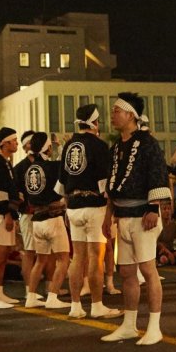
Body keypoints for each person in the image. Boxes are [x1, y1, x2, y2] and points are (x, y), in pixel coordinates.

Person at [100, 92, 171, 346]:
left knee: (147, 270)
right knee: (127, 272)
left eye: (117, 110)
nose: (113, 115)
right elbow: (110, 185)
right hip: (123, 215)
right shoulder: (117, 147)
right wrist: (108, 216)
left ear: (131, 115)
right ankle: (129, 325)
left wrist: (153, 208)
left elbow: (158, 174)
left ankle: (154, 326)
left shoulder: (148, 143)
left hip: (144, 215)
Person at [57, 104, 122, 321]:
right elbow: (105, 185)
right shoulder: (99, 145)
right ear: (94, 123)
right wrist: (109, 212)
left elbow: (61, 185)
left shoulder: (68, 146)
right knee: (96, 256)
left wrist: (68, 207)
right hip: (94, 205)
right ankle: (96, 305)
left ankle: (75, 306)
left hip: (73, 205)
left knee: (78, 257)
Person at [17, 132, 71, 309]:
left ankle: (31, 296)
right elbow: (65, 166)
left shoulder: (29, 169)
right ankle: (53, 296)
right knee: (63, 259)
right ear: (47, 147)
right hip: (52, 218)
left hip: (36, 220)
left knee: (40, 260)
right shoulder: (52, 167)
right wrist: (63, 145)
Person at [0, 127, 24, 308]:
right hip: (0, 215)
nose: (17, 143)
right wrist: (7, 213)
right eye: (14, 140)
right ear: (5, 143)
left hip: (4, 214)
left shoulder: (5, 162)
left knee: (3, 255)